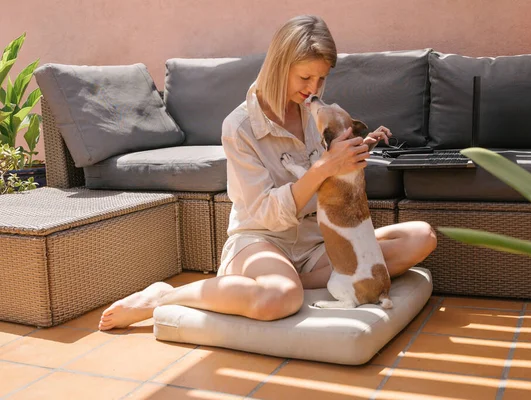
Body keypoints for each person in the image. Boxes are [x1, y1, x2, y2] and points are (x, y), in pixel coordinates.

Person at [98, 15, 436, 331]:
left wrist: (352, 158)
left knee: (421, 237)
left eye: (321, 77)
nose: (314, 88)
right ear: (279, 66)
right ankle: (166, 295)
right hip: (262, 240)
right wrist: (322, 169)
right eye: (305, 77)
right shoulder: (239, 126)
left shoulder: (314, 114)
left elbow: (336, 186)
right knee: (280, 299)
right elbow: (263, 213)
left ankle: (284, 280)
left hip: (318, 243)